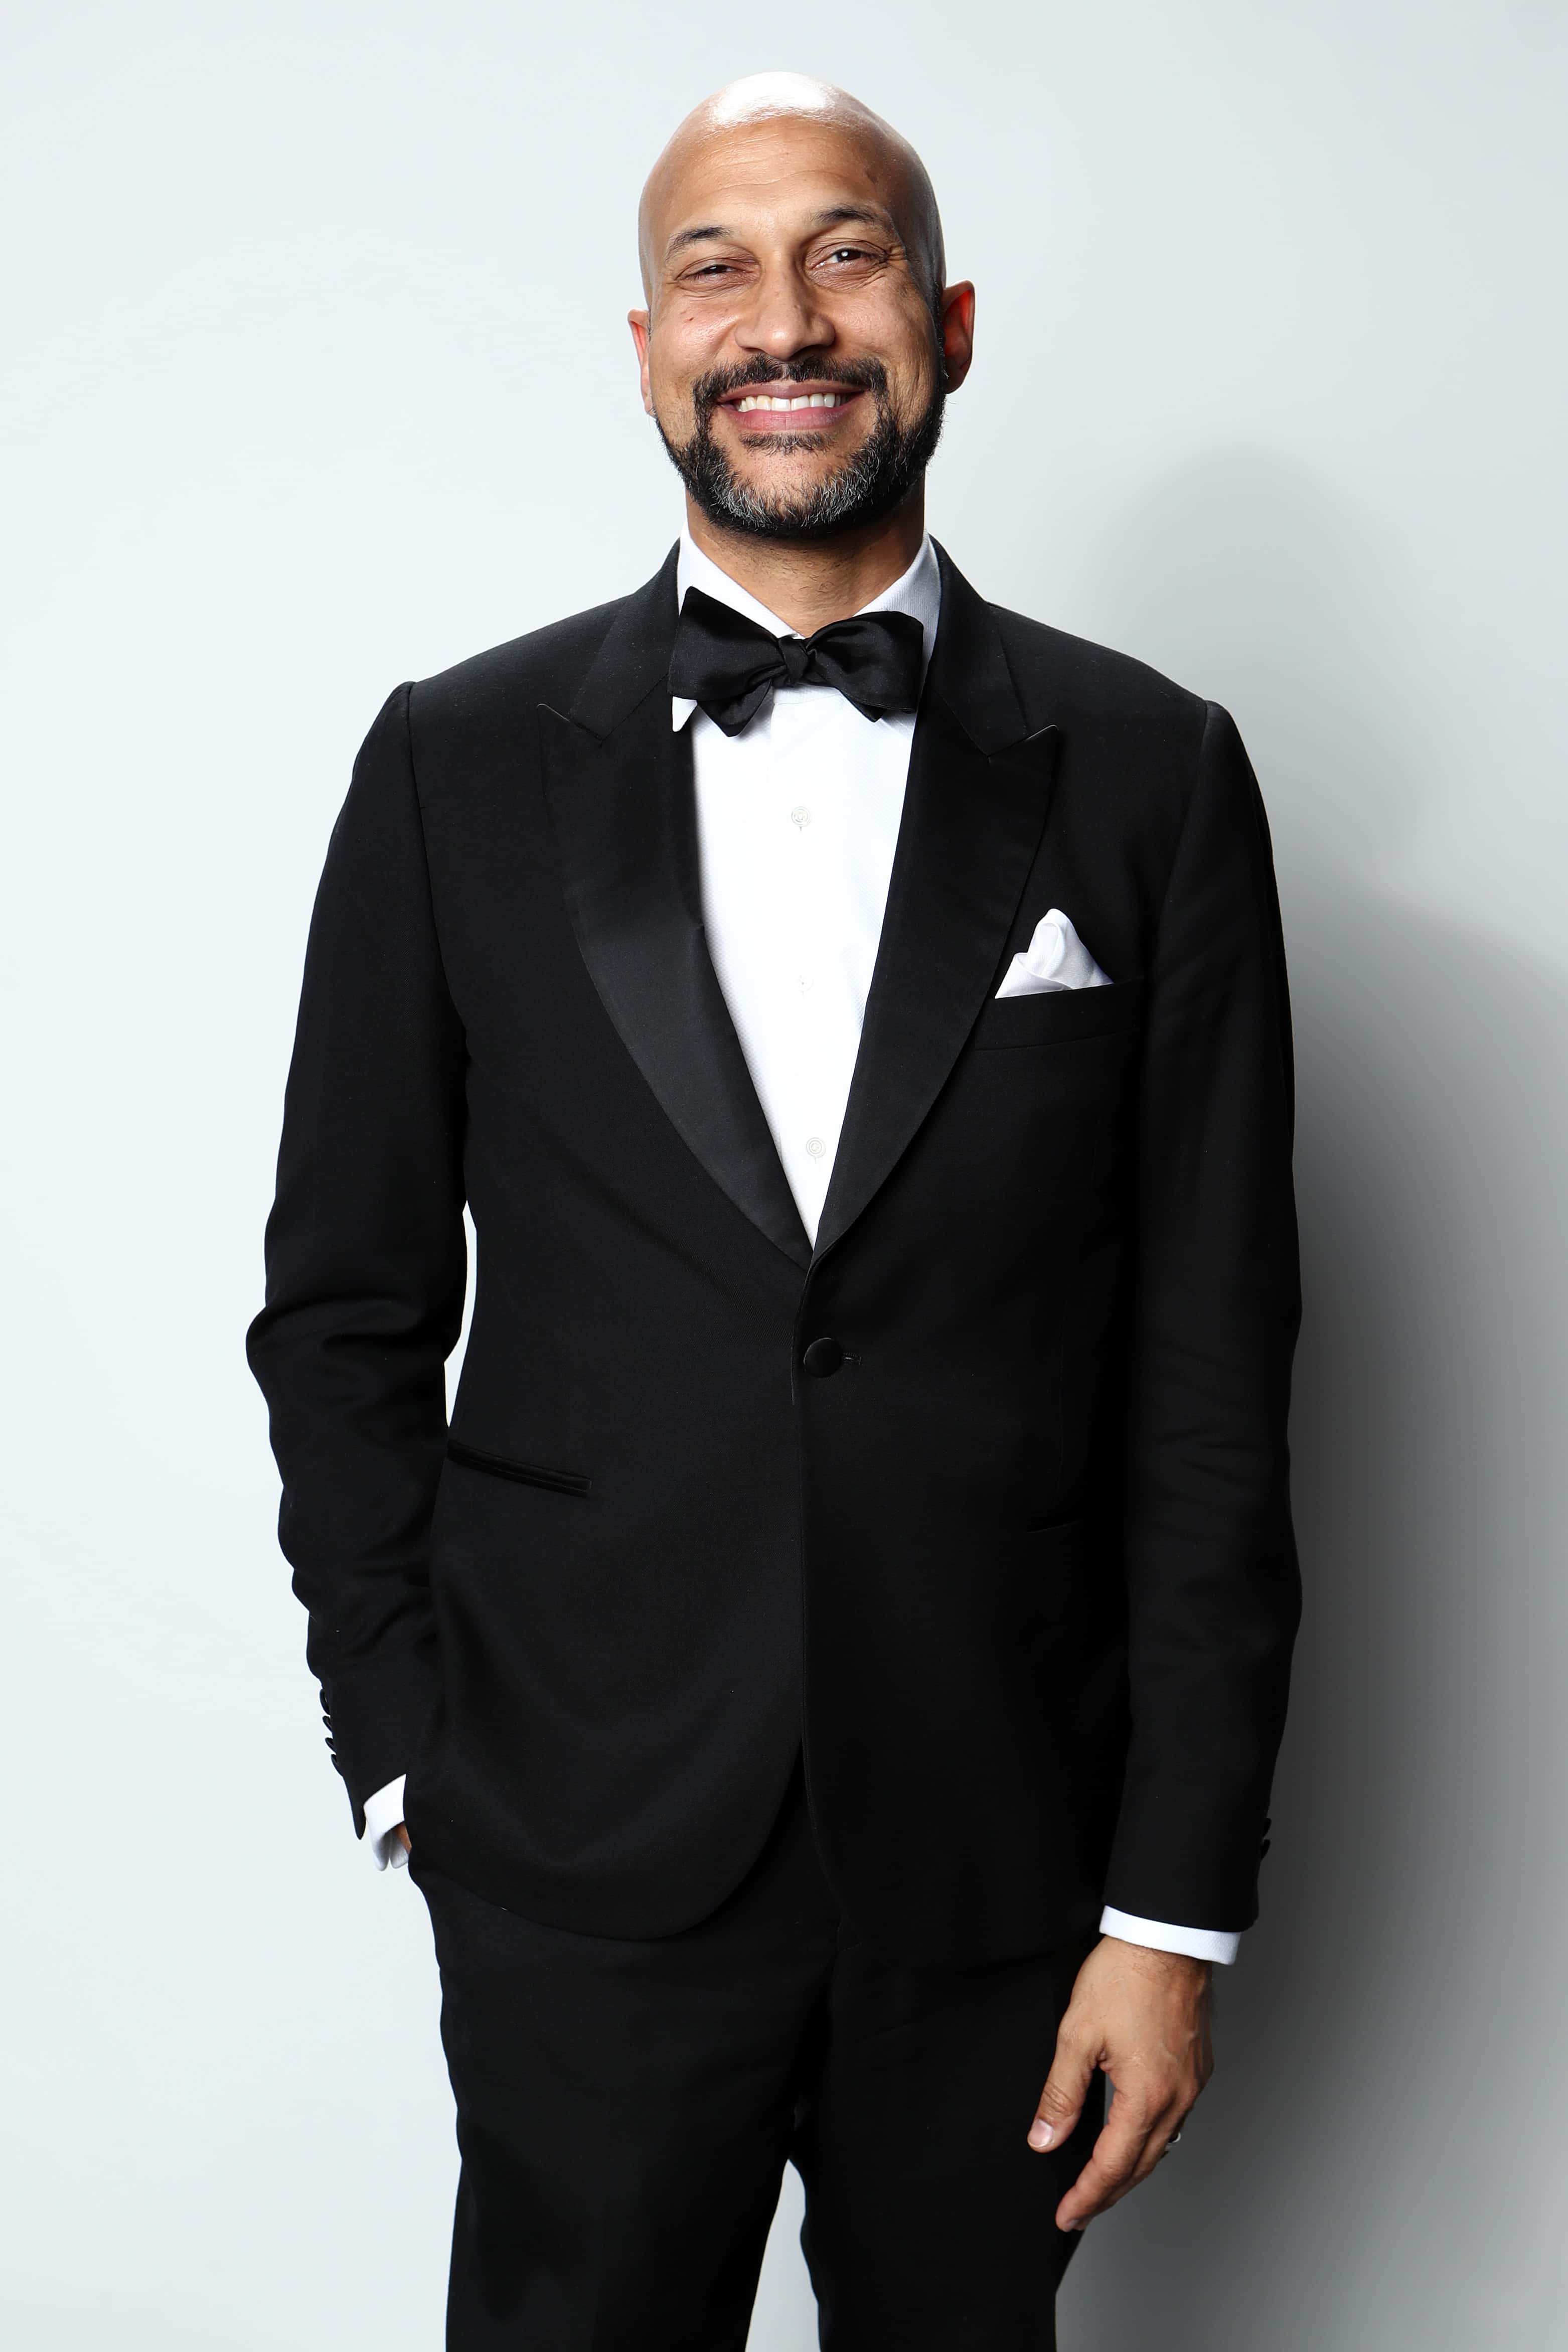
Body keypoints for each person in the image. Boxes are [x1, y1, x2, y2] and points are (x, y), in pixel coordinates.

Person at [247, 71, 1301, 2350]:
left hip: (1009, 1857)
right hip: (577, 1839)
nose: (784, 322)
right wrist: (408, 1752)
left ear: (947, 323)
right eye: (715, 270)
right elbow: (340, 1307)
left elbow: (1217, 1372)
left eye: (846, 254)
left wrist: (1171, 1910)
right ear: (648, 349)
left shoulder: (1153, 770)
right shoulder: (450, 762)